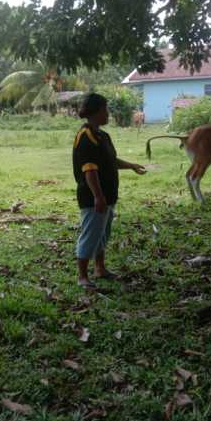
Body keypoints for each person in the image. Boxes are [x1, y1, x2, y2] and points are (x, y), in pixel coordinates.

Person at [72, 93, 147, 289]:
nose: (108, 113)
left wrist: (131, 165)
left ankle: (100, 268)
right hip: (93, 197)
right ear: (96, 112)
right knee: (90, 233)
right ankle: (82, 276)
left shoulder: (103, 135)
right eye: (105, 110)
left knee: (102, 233)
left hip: (108, 194)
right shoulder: (85, 136)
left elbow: (110, 161)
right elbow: (89, 169)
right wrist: (98, 196)